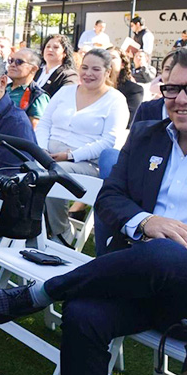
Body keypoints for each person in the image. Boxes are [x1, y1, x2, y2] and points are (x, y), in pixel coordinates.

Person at [0, 49, 187, 375]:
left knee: (167, 252)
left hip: (184, 291)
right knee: (82, 313)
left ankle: (44, 292)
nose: (181, 99)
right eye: (173, 89)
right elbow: (110, 197)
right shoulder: (147, 136)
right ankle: (58, 294)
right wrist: (146, 221)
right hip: (135, 281)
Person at [37, 48, 129, 244]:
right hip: (47, 154)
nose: (88, 73)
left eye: (95, 69)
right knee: (25, 167)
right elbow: (44, 123)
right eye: (85, 67)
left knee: (53, 173)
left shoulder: (116, 100)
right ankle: (31, 228)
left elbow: (109, 141)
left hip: (86, 163)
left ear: (107, 72)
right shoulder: (65, 91)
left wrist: (70, 155)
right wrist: (41, 149)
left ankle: (61, 233)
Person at [6, 49, 50, 128]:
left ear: (33, 69)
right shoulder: (2, 88)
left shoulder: (37, 96)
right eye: (11, 61)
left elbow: (34, 129)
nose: (12, 65)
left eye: (19, 62)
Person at [35, 34, 79, 98]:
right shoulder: (36, 70)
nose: (50, 49)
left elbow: (66, 97)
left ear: (64, 53)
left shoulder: (69, 75)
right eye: (48, 46)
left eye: (56, 47)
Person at [108, 47, 144, 126]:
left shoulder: (134, 90)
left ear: (122, 64)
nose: (108, 61)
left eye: (113, 57)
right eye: (105, 57)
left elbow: (129, 121)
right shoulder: (94, 87)